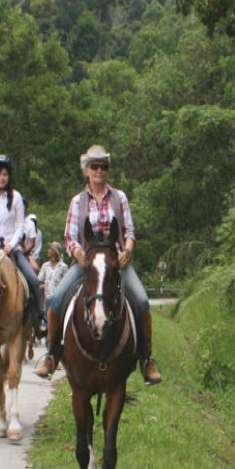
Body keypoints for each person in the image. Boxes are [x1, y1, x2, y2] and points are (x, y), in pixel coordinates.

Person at [35, 145, 161, 384]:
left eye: (103, 166)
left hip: (115, 262)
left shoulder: (119, 197)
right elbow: (69, 236)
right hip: (87, 263)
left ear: (108, 170)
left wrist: (128, 251)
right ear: (86, 170)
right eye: (94, 166)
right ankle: (52, 355)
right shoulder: (77, 201)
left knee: (142, 302)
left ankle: (146, 359)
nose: (99, 171)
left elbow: (129, 230)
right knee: (57, 300)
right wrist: (79, 253)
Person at [0, 155, 43, 338]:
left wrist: (11, 245)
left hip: (11, 249)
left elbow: (20, 226)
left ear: (9, 176)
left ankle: (39, 319)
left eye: (5, 175)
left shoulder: (16, 198)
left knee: (33, 280)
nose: (2, 178)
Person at [37, 241, 68, 319]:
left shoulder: (63, 267)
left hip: (59, 300)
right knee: (46, 320)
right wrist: (46, 285)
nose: (48, 251)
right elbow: (39, 281)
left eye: (50, 249)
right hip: (47, 299)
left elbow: (66, 284)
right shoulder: (45, 266)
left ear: (55, 252)